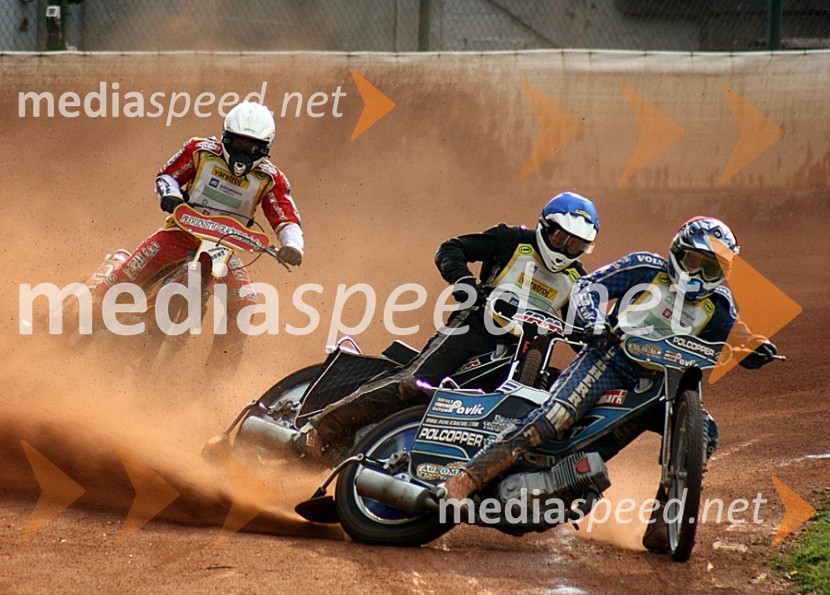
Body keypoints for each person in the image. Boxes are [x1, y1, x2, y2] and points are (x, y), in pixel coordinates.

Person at [438, 216, 779, 552]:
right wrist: (596, 323)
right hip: (609, 361)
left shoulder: (719, 306)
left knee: (706, 431)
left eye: (713, 268)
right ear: (678, 252)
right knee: (554, 418)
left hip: (663, 387)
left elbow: (736, 336)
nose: (701, 274)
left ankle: (663, 520)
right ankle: (467, 478)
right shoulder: (645, 268)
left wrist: (755, 348)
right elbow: (587, 287)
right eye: (695, 261)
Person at [295, 191, 601, 463]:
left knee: (546, 406)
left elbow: (581, 331)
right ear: (545, 227)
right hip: (474, 328)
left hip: (524, 354)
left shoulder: (577, 281)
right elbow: (451, 249)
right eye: (562, 238)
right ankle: (320, 427)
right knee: (414, 382)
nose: (567, 249)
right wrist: (465, 283)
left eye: (577, 244)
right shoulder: (511, 240)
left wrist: (600, 339)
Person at [94, 101, 304, 368]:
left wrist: (293, 246)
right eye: (238, 142)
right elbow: (167, 176)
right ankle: (73, 316)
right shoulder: (200, 151)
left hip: (224, 250)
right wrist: (169, 195)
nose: (243, 151)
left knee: (246, 302)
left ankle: (216, 379)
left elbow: (286, 218)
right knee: (124, 279)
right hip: (180, 234)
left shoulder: (271, 179)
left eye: (251, 147)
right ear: (226, 136)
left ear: (264, 148)